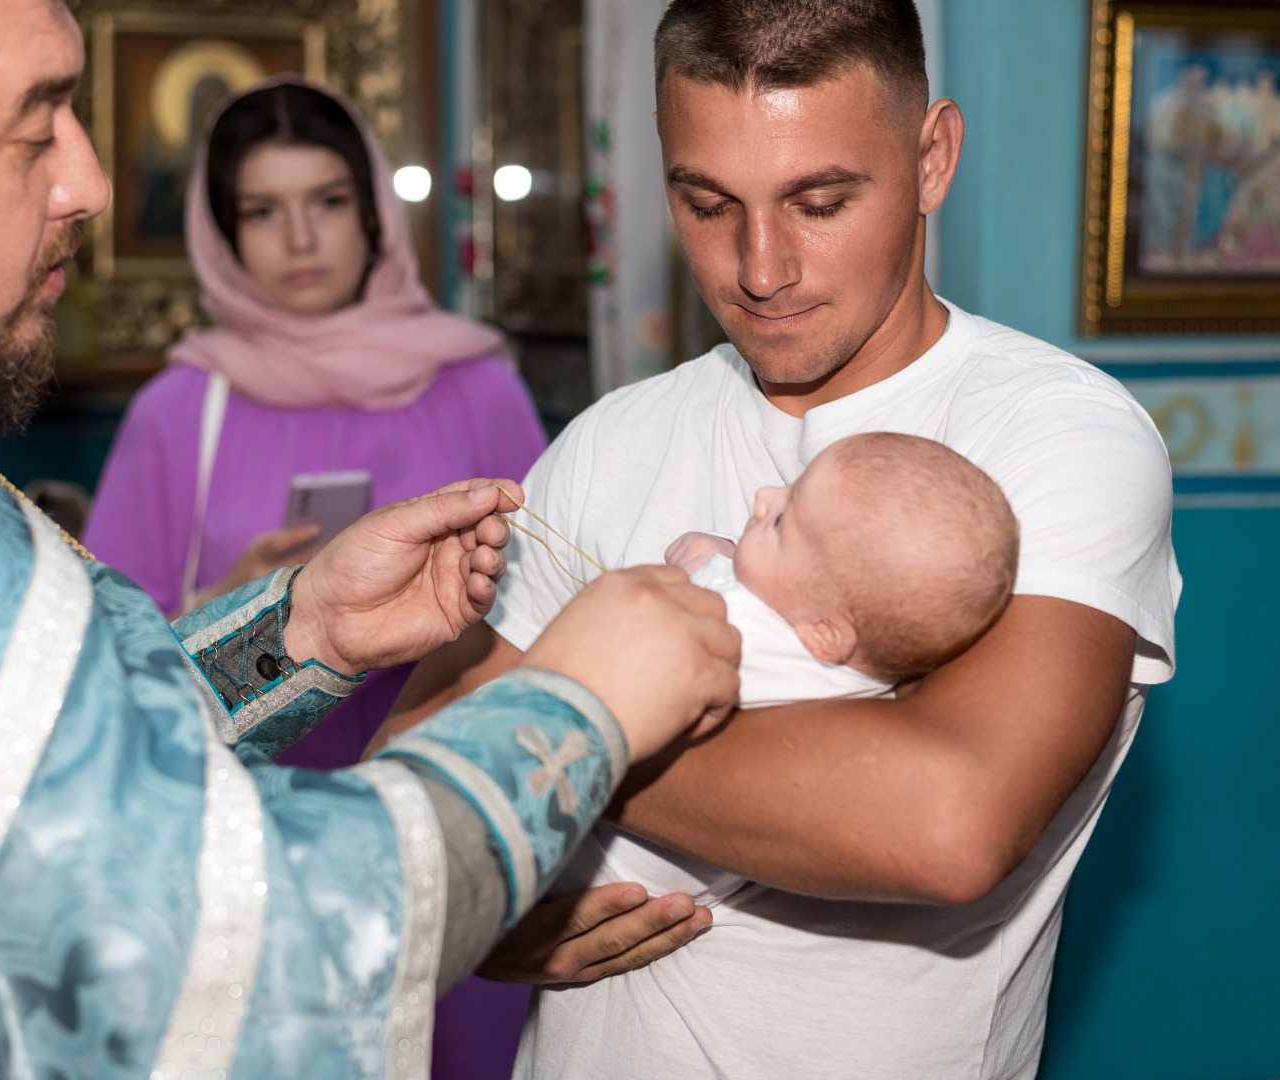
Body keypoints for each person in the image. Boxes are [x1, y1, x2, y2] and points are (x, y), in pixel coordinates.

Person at [0, 3, 741, 1078]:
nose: (91, 182)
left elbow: (66, 780)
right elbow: (221, 946)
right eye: (37, 124)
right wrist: (578, 702)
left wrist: (303, 631)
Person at [371, 1, 1181, 1077]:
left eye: (820, 200)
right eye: (706, 203)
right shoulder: (610, 440)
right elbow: (404, 807)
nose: (759, 268)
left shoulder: (1057, 434)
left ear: (932, 157)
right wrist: (472, 897)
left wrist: (543, 765)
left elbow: (947, 822)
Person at [84, 75, 546, 774]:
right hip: (243, 807)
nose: (300, 239)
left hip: (449, 782)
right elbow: (101, 642)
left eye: (328, 202)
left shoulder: (479, 385)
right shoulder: (180, 409)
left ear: (373, 214)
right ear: (223, 233)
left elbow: (554, 598)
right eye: (263, 211)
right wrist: (231, 604)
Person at [563, 431, 1020, 911]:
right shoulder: (852, 662)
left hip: (591, 860)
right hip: (664, 875)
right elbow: (773, 593)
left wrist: (705, 570)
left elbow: (635, 656)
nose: (764, 498)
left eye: (781, 521)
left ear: (825, 633)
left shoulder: (740, 633)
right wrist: (727, 552)